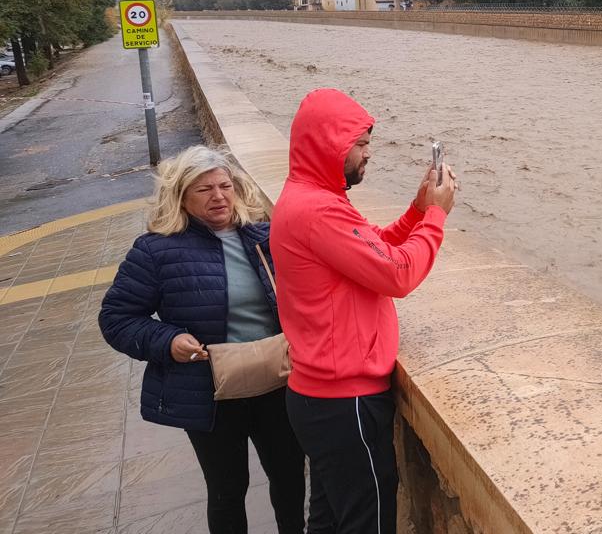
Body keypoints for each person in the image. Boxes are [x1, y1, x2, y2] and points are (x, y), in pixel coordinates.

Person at [270, 88, 457, 534]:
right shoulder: (318, 210)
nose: (368, 153)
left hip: (318, 395)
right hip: (344, 401)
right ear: (328, 144)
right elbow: (398, 274)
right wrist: (436, 217)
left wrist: (416, 210)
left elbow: (377, 246)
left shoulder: (310, 197)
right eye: (360, 143)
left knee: (330, 518)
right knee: (366, 521)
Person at [99, 146, 305, 534]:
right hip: (209, 392)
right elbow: (116, 318)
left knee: (291, 478)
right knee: (228, 490)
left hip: (277, 381)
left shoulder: (264, 236)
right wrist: (168, 340)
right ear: (180, 197)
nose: (219, 196)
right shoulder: (156, 251)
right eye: (204, 189)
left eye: (225, 185)